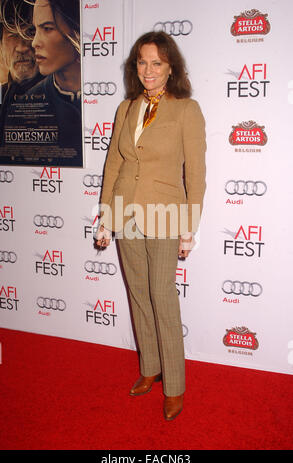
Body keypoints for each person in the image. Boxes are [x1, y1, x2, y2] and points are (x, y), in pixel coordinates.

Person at [96, 31, 206, 421]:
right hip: (125, 212)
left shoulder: (186, 110)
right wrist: (106, 216)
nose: (148, 70)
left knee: (163, 297)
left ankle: (174, 386)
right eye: (142, 62)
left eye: (156, 62)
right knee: (139, 294)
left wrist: (189, 226)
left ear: (170, 67)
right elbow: (114, 165)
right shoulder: (126, 108)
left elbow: (195, 172)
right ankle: (150, 369)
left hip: (165, 215)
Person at [23, 0, 82, 163]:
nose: (35, 42)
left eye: (47, 28)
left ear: (77, 29)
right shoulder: (28, 103)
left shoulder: (112, 99)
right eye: (35, 30)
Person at [0, 0, 43, 144]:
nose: (22, 47)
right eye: (12, 35)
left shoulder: (64, 97)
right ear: (1, 45)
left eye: (30, 32)